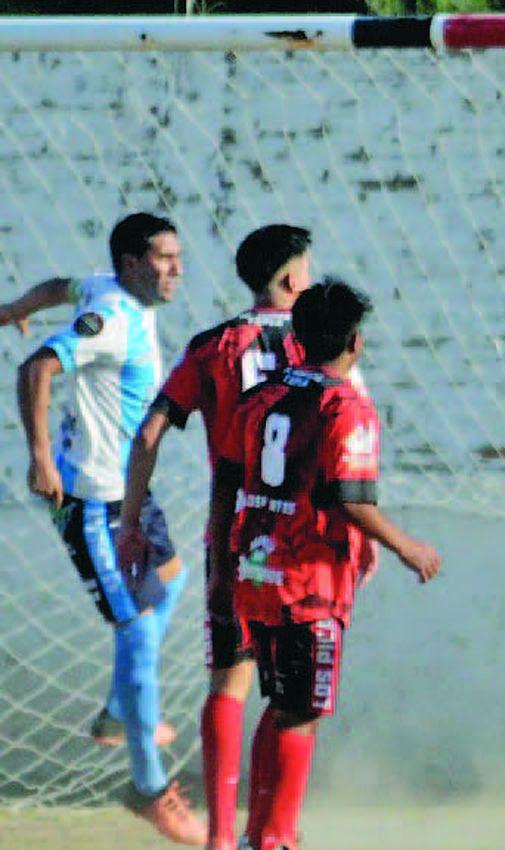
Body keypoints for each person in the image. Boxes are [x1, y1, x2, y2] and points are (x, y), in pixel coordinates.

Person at [1, 212, 205, 844]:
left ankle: (120, 712)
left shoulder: (106, 289)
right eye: (165, 258)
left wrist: (14, 309)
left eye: (178, 257)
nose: (177, 269)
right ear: (133, 265)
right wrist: (40, 459)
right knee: (137, 631)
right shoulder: (113, 319)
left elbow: (59, 286)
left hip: (129, 488)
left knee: (172, 580)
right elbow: (36, 369)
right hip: (94, 502)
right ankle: (148, 788)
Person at [221, 279, 441, 850]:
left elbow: (232, 476)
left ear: (297, 339)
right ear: (355, 343)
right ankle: (277, 840)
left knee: (281, 704)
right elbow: (351, 497)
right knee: (302, 711)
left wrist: (225, 561)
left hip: (258, 571)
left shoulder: (262, 396)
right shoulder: (346, 406)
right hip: (308, 580)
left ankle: (255, 836)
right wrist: (407, 546)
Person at [117, 224, 311, 850]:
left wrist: (131, 519)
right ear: (293, 278)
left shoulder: (212, 346)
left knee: (230, 679)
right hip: (303, 540)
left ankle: (221, 836)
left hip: (234, 533)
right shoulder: (321, 342)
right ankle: (271, 833)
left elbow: (148, 434)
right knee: (296, 691)